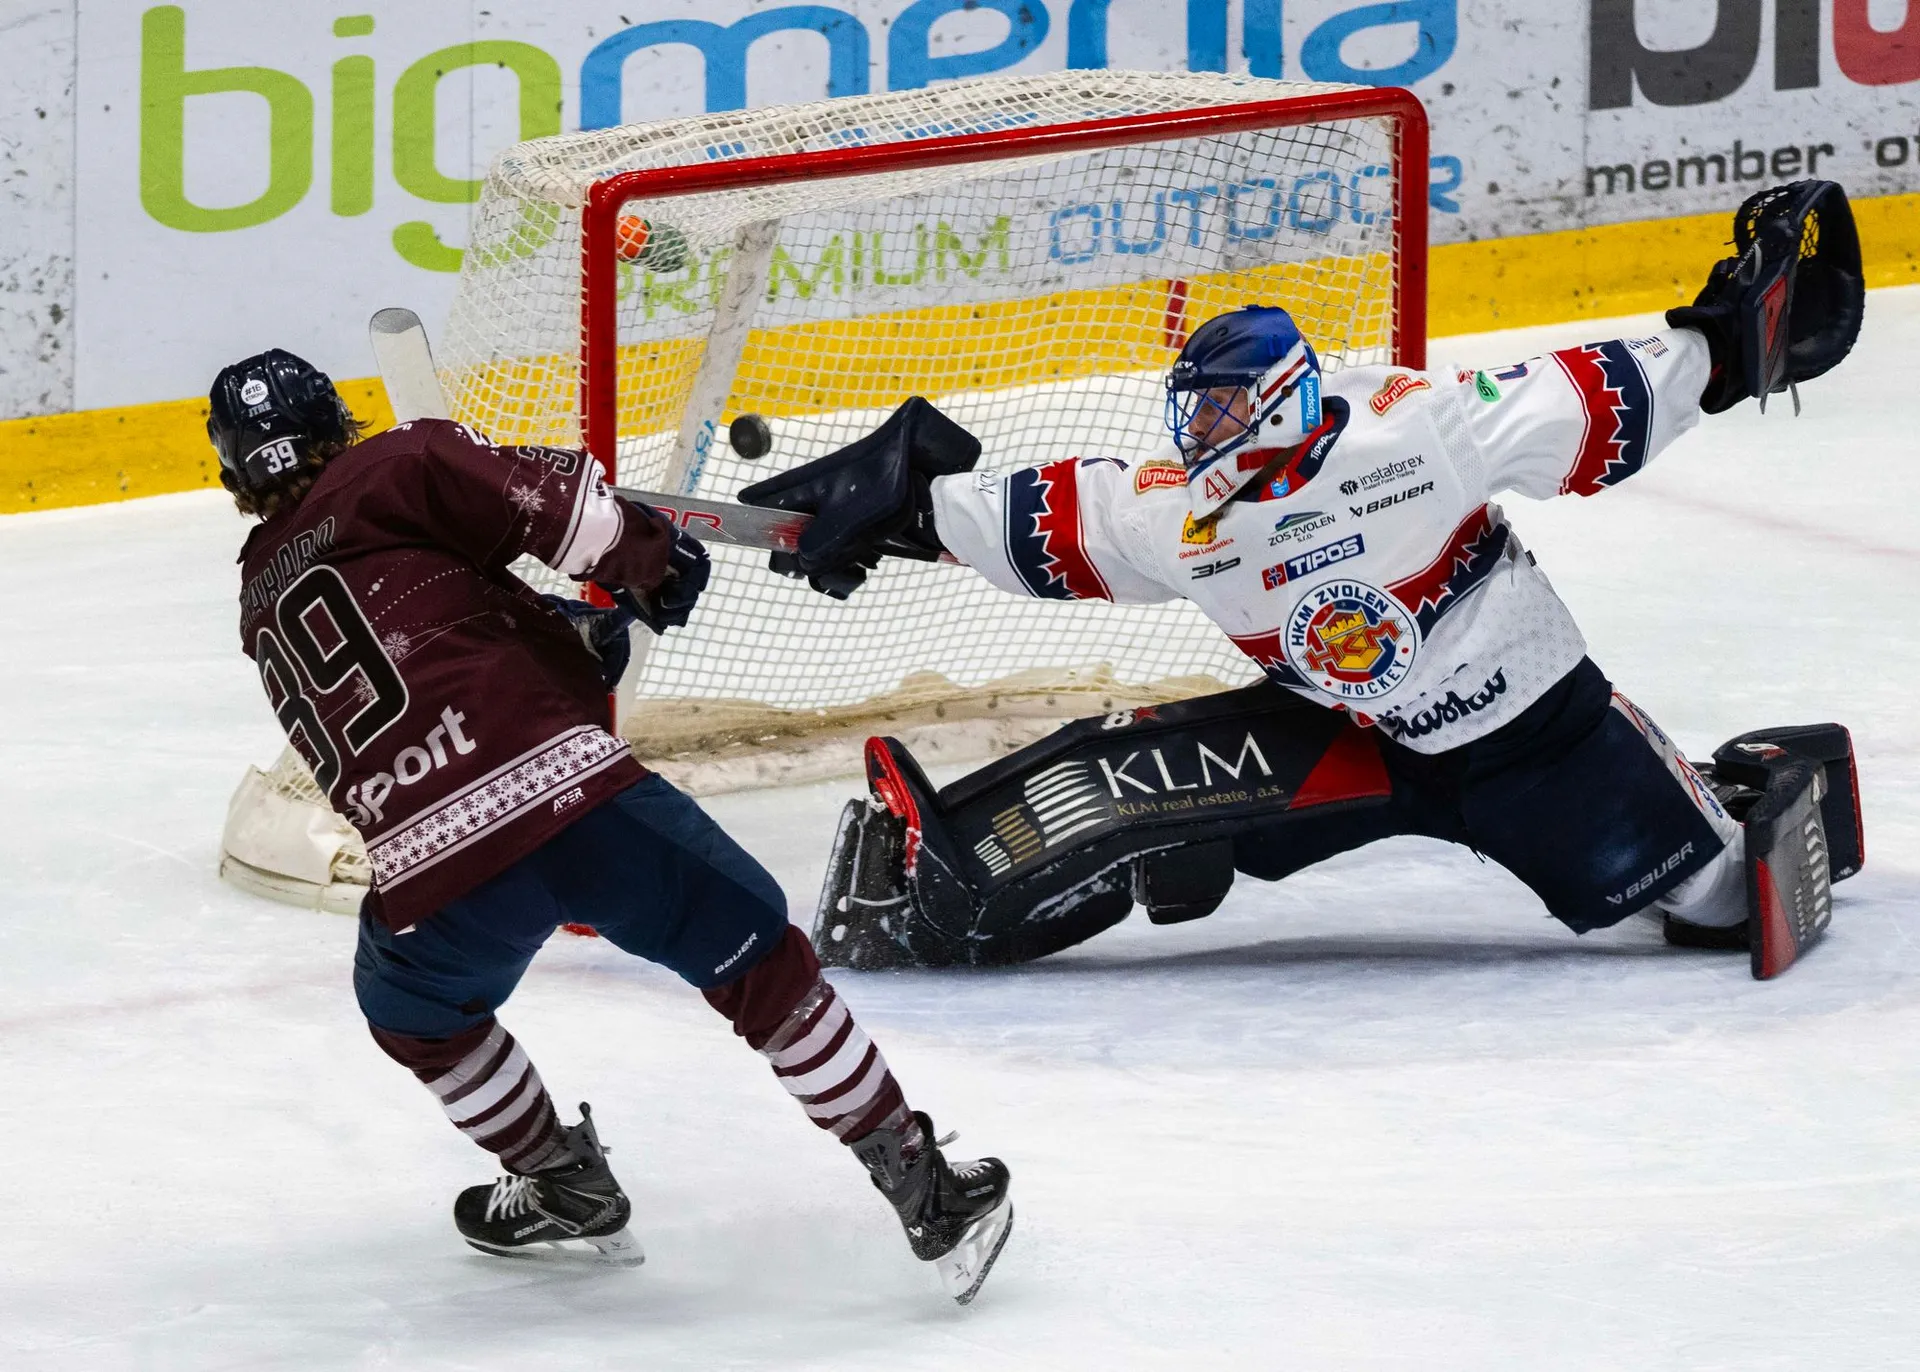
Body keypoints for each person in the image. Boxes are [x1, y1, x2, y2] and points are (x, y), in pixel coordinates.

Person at [740, 180, 1865, 979]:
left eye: (1221, 411)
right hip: (1364, 741)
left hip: (1542, 743)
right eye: (1194, 414)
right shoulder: (1186, 516)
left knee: (1721, 905)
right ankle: (945, 891)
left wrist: (1725, 345)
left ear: (1282, 401)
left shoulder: (1418, 433)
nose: (1199, 434)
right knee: (1151, 797)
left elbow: (1591, 400)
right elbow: (1064, 520)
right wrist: (908, 505)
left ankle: (1737, 788)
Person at [214, 355, 1012, 1302]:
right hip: (573, 803)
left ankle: (561, 1180)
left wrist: (553, 632)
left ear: (234, 477)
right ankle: (919, 1179)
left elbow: (418, 660)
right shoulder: (400, 461)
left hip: (432, 868)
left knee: (412, 1012)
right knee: (761, 961)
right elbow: (568, 512)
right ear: (337, 426)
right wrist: (647, 558)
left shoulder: (258, 595)